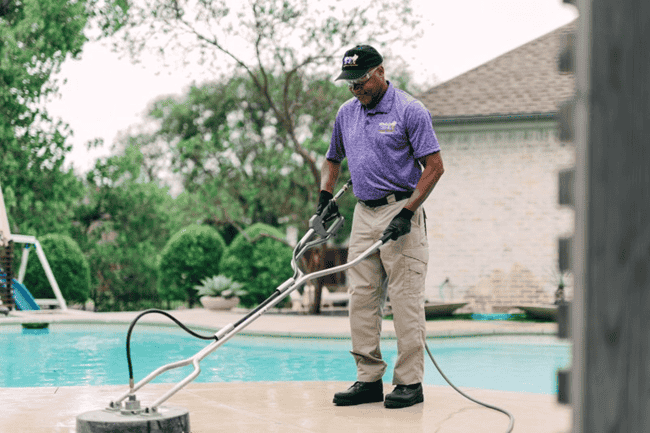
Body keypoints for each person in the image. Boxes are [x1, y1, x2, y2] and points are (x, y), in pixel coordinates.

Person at [317, 45, 444, 409]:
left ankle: (409, 383)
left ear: (380, 72)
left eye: (361, 82)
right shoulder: (347, 114)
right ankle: (368, 379)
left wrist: (408, 212)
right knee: (361, 299)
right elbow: (332, 159)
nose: (356, 90)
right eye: (350, 84)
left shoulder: (410, 110)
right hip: (364, 214)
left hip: (400, 210)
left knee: (404, 302)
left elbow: (434, 166)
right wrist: (325, 195)